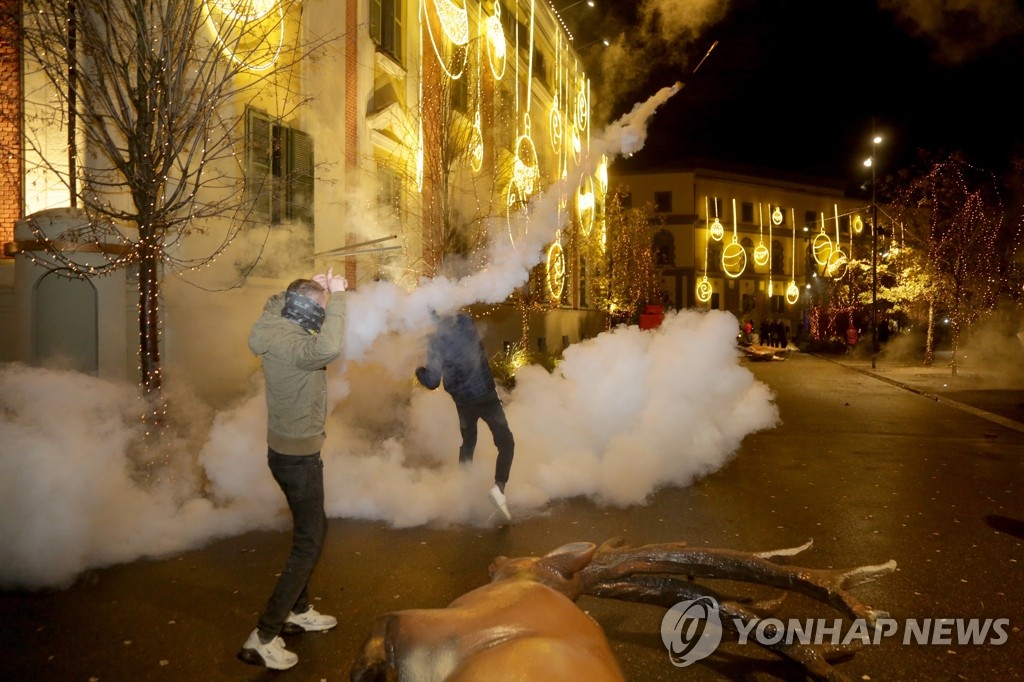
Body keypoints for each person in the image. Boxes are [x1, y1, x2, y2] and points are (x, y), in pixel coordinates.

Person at [238, 268, 348, 670]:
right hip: (298, 459)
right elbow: (328, 349)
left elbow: (278, 302)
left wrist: (313, 288)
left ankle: (298, 610)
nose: (322, 314)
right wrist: (337, 297)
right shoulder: (294, 343)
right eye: (318, 308)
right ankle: (264, 636)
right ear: (303, 308)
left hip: (286, 453)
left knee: (311, 529)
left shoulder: (274, 323)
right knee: (310, 542)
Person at [415, 312, 514, 522]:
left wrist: (419, 370)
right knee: (505, 442)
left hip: (463, 402)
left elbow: (432, 381)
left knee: (468, 444)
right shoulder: (466, 322)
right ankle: (499, 488)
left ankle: (464, 494)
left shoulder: (435, 342)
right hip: (486, 395)